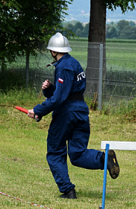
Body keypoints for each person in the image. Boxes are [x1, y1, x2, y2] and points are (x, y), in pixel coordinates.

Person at [27, 32, 119, 199]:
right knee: (77, 154)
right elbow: (67, 91)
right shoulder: (73, 63)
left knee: (55, 151)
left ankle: (68, 190)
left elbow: (60, 99)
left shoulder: (63, 66)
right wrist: (49, 90)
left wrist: (38, 110)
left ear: (53, 51)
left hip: (66, 113)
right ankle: (104, 159)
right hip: (81, 110)